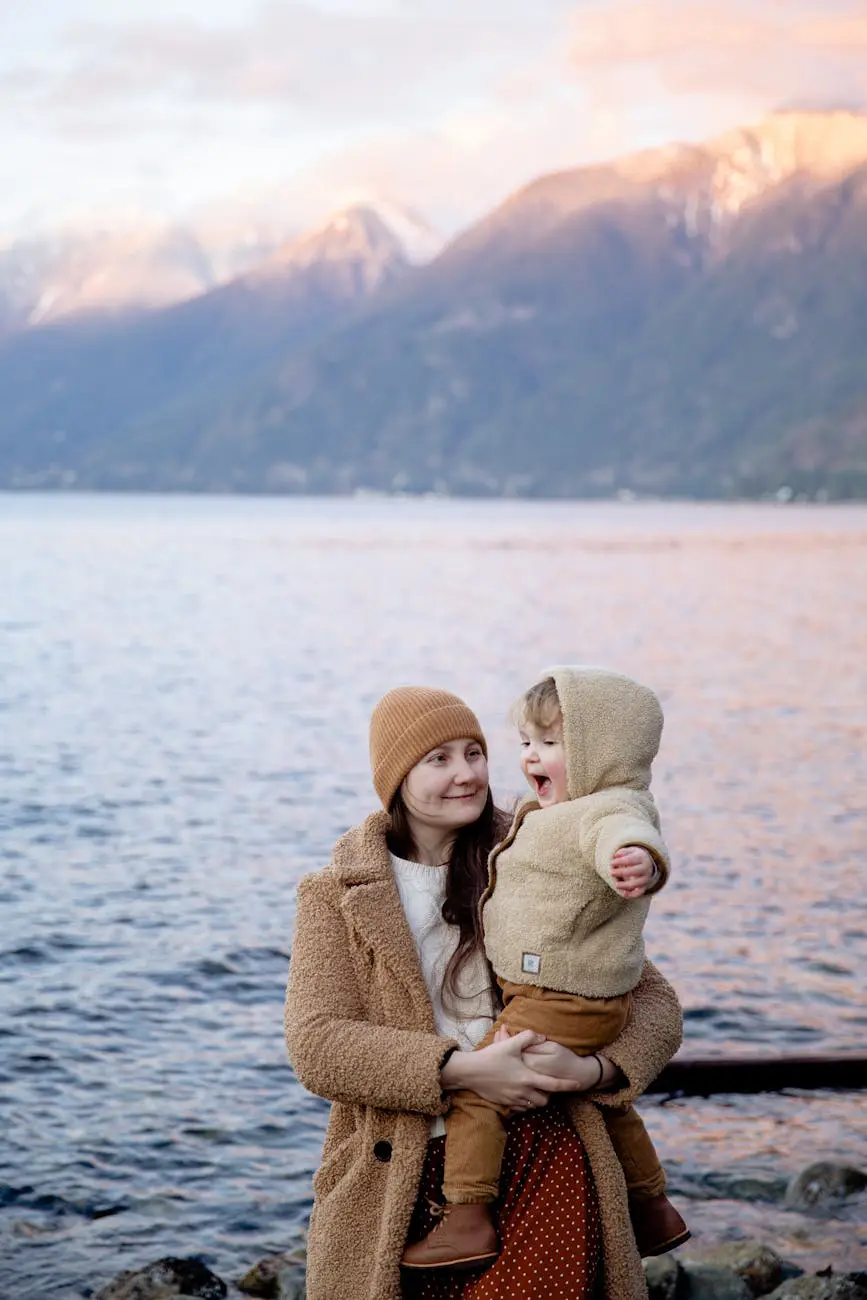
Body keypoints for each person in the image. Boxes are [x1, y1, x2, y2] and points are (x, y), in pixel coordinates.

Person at [284, 686, 684, 1300]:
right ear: (395, 777)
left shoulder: (541, 847)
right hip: (399, 1176)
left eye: (474, 752)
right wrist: (464, 1072)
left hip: (548, 1153)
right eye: (438, 759)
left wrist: (594, 1071)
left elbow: (653, 1002)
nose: (467, 773)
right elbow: (317, 1045)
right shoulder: (334, 894)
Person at [402, 669, 689, 1273]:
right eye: (525, 741)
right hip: (554, 998)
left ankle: (467, 1218)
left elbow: (625, 832)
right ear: (396, 775)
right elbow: (318, 1044)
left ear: (602, 752)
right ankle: (654, 1208)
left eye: (550, 742)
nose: (529, 756)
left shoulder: (599, 812)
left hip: (557, 999)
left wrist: (637, 860)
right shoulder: (539, 821)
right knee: (615, 1108)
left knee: (478, 1096)